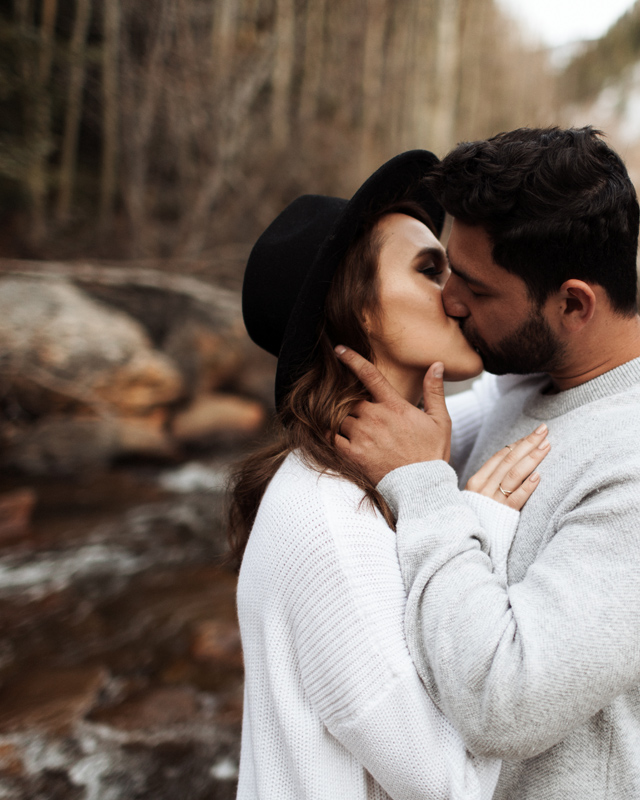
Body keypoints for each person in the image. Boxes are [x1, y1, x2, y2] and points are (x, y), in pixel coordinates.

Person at [333, 128, 640, 800]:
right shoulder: (528, 382)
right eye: (445, 270)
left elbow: (504, 705)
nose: (451, 300)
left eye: (475, 287)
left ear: (572, 303)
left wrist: (425, 490)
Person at [230, 150, 550, 800]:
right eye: (431, 271)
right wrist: (474, 526)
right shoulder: (329, 520)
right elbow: (451, 787)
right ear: (360, 311)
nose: (458, 294)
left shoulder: (368, 470)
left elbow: (524, 382)